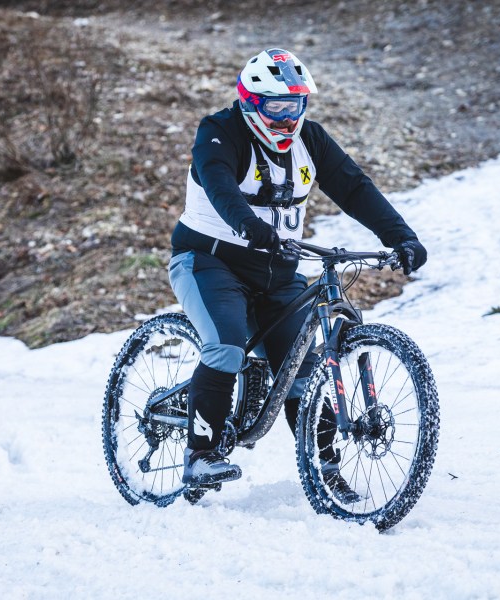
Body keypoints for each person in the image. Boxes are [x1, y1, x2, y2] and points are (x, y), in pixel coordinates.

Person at [168, 48, 427, 501]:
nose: (289, 119)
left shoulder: (311, 139)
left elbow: (354, 187)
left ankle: (326, 470)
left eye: (297, 105)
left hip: (277, 269)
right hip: (209, 261)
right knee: (226, 347)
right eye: (278, 107)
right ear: (251, 102)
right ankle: (200, 455)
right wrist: (248, 225)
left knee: (303, 372)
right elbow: (220, 186)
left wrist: (401, 237)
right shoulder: (219, 132)